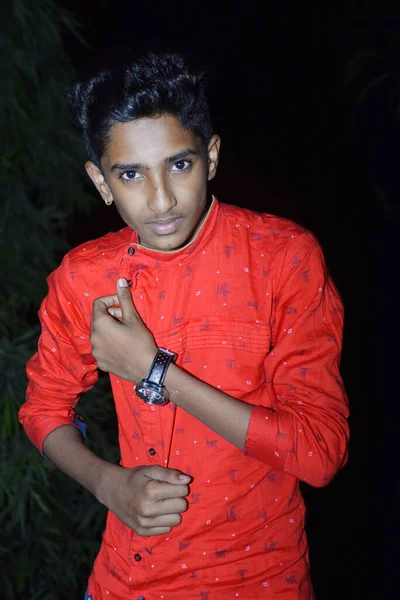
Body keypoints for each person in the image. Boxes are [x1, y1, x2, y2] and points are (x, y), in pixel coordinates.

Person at [19, 51, 349, 600]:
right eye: (130, 174)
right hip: (129, 581)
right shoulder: (85, 277)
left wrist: (154, 372)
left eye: (179, 164)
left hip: (264, 580)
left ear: (211, 156)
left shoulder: (283, 259)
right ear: (101, 182)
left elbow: (319, 453)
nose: (162, 199)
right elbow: (43, 410)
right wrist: (108, 483)